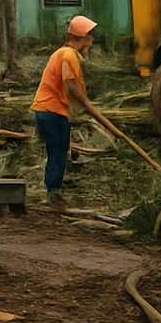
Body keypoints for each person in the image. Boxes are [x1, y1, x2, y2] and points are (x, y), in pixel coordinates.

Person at [31, 15, 111, 203]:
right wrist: (86, 103)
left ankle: (54, 190)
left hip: (49, 110)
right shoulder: (68, 55)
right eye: (89, 37)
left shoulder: (64, 54)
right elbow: (70, 85)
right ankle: (54, 194)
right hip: (50, 111)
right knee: (58, 151)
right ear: (82, 37)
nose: (91, 42)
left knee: (57, 151)